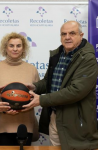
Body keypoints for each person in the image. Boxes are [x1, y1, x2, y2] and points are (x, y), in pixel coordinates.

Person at [22, 21, 98, 150]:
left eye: (72, 33)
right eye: (64, 34)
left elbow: (76, 91)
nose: (67, 37)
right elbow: (48, 81)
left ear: (81, 35)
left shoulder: (87, 59)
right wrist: (34, 87)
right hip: (55, 117)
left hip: (76, 121)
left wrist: (41, 100)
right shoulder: (58, 54)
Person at [0, 32, 40, 146]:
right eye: (11, 45)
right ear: (5, 48)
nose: (15, 49)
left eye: (18, 46)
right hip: (2, 123)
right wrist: (4, 109)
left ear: (23, 48)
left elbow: (36, 96)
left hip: (25, 123)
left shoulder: (32, 69)